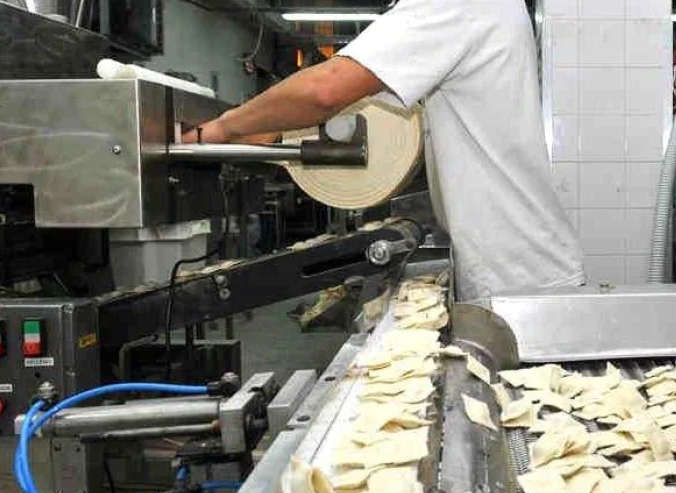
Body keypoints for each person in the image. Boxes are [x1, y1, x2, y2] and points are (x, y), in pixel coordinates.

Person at [185, 0, 585, 301]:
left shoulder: (460, 3)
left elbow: (326, 91)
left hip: (519, 283)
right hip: (516, 270)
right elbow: (361, 106)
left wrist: (221, 128)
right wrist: (267, 132)